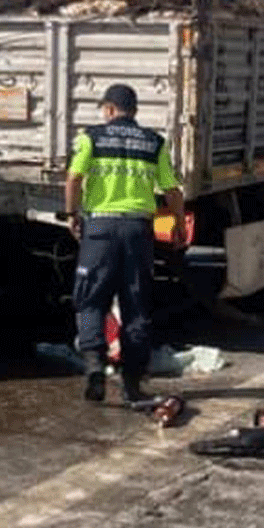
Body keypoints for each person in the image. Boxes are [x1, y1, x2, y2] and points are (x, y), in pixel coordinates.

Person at [64, 83, 184, 406]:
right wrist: (177, 223)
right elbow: (172, 191)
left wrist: (71, 214)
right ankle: (132, 383)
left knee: (90, 300)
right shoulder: (153, 143)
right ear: (134, 111)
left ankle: (94, 368)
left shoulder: (92, 137)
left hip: (100, 229)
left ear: (110, 110)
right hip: (137, 230)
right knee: (135, 306)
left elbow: (74, 178)